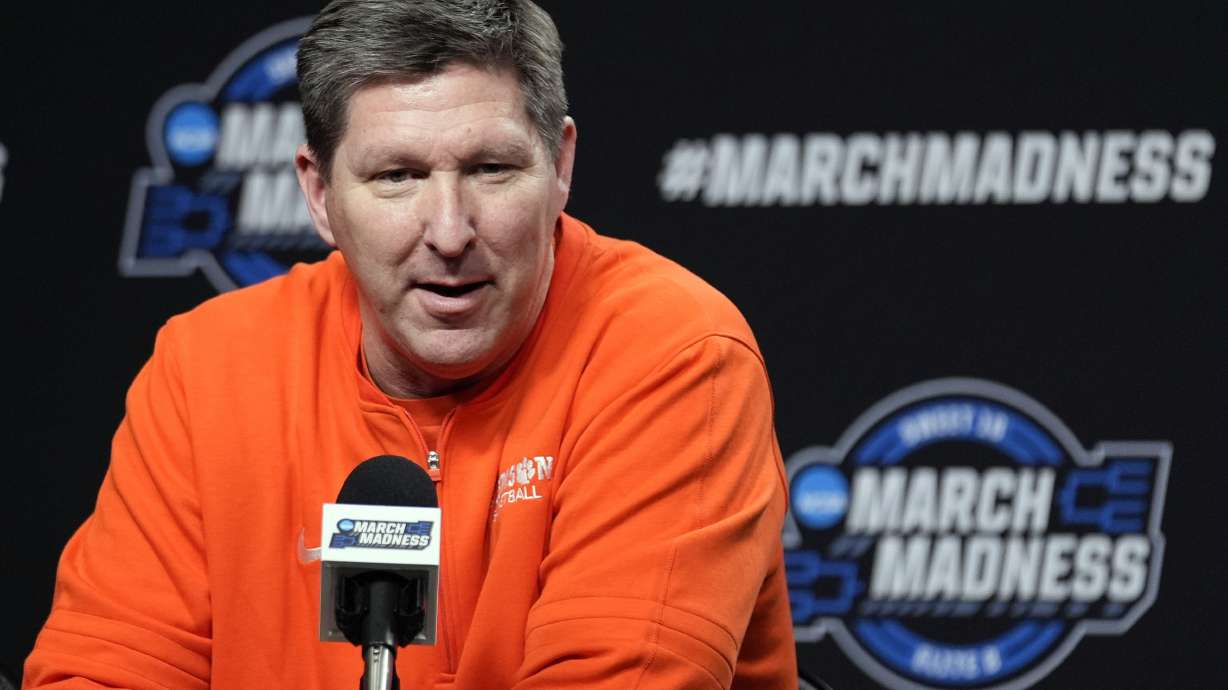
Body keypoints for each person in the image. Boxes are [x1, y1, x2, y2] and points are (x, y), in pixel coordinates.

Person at [24, 1, 797, 688]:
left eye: (491, 170)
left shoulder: (673, 355)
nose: (451, 232)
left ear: (560, 167)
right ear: (320, 194)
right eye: (397, 176)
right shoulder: (210, 369)